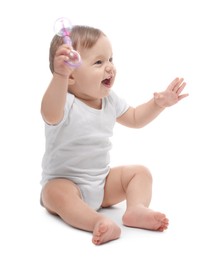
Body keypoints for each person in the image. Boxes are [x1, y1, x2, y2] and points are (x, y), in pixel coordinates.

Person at [40, 25, 188, 245]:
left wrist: (158, 104)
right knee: (54, 193)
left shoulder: (110, 100)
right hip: (67, 184)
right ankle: (98, 221)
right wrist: (60, 76)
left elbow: (136, 118)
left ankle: (136, 209)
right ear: (71, 77)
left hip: (102, 183)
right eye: (99, 62)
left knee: (140, 173)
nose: (109, 67)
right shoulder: (65, 103)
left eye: (110, 59)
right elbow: (49, 113)